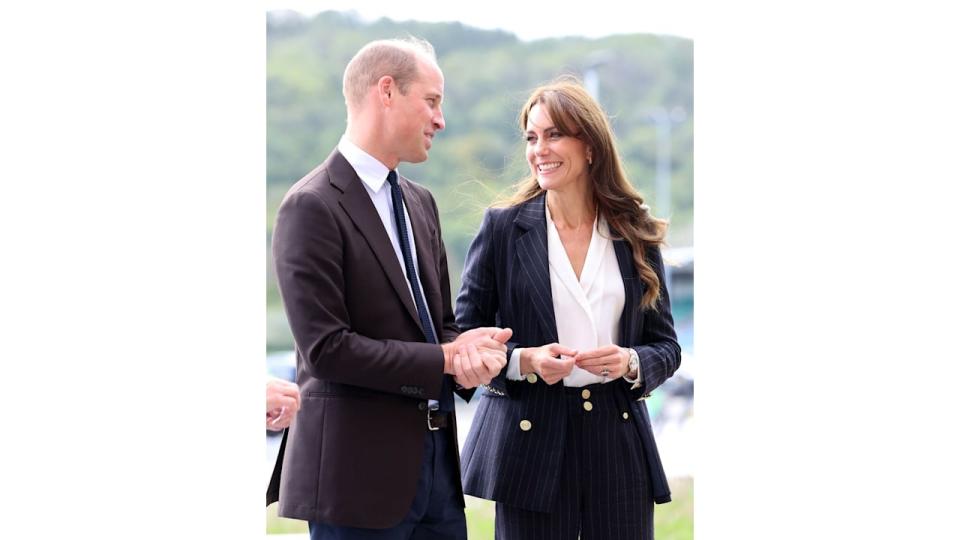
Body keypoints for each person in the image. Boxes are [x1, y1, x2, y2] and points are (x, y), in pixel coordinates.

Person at [266, 37, 512, 540]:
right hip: (355, 485)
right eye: (432, 100)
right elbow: (327, 350)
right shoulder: (310, 205)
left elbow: (440, 330)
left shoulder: (421, 203)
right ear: (386, 91)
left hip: (439, 480)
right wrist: (443, 359)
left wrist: (470, 355)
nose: (440, 120)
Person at [455, 78, 682, 540]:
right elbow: (465, 336)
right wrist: (525, 361)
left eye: (554, 134)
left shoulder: (634, 230)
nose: (539, 149)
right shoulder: (502, 228)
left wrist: (631, 361)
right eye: (531, 137)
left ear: (591, 146)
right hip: (530, 444)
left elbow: (667, 345)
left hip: (618, 443)